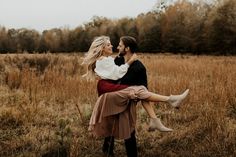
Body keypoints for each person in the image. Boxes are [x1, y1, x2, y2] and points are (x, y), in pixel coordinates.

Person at [82, 36, 189, 157]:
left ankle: (154, 123)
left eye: (120, 45)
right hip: (113, 94)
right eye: (111, 44)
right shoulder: (118, 60)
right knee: (111, 124)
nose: (116, 47)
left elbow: (145, 93)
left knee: (128, 127)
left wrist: (151, 114)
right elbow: (112, 74)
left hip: (127, 98)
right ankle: (171, 100)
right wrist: (128, 62)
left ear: (127, 48)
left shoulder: (139, 67)